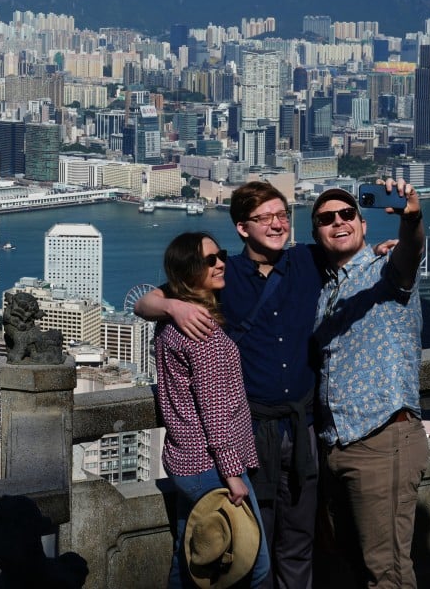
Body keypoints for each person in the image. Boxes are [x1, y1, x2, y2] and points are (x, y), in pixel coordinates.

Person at [137, 182, 322, 589]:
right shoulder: (214, 296)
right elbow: (143, 303)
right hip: (246, 439)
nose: (277, 224)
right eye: (264, 217)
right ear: (242, 227)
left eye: (282, 214)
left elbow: (355, 256)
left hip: (300, 424)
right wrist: (171, 304)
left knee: (203, 547)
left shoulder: (308, 261)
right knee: (247, 550)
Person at [310, 180, 428, 589]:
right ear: (317, 234)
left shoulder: (386, 271)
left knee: (387, 573)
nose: (338, 222)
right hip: (337, 448)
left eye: (346, 215)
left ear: (362, 224)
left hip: (383, 440)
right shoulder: (325, 291)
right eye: (326, 219)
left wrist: (411, 218)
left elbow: (411, 253)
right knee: (356, 572)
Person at [153, 231, 269, 588]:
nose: (221, 263)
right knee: (254, 565)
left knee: (189, 557)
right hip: (212, 466)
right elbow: (216, 415)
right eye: (210, 260)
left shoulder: (171, 324)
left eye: (220, 255)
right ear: (189, 271)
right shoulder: (205, 336)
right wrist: (233, 474)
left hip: (183, 460)